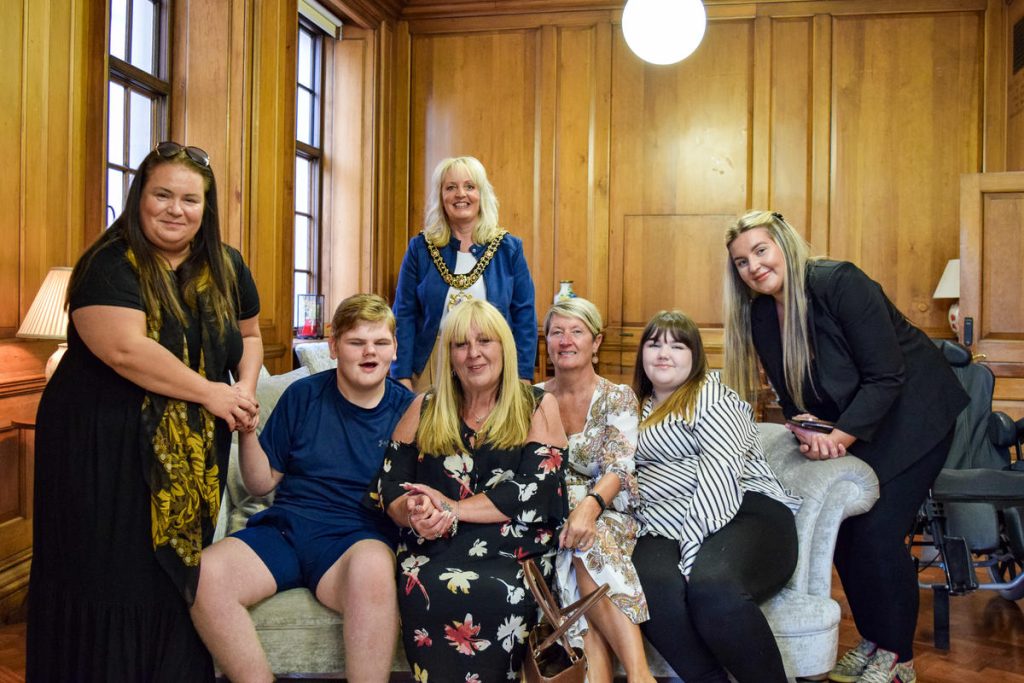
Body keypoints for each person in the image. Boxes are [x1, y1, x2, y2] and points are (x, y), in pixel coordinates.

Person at [26, 141, 263, 681]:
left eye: (190, 199)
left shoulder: (227, 265)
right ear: (139, 198)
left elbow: (249, 336)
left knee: (175, 576)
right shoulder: (109, 263)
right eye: (162, 195)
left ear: (206, 208)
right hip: (104, 451)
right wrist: (211, 393)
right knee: (112, 577)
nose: (176, 209)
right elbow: (125, 350)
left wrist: (244, 390)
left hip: (191, 456)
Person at [723, 210, 969, 683]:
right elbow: (790, 394)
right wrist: (807, 429)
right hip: (858, 422)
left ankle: (898, 660)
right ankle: (873, 640)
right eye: (741, 261)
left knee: (877, 532)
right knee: (843, 529)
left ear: (783, 245)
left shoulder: (839, 283)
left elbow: (887, 375)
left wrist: (839, 438)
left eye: (760, 250)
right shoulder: (761, 314)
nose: (753, 266)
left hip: (915, 416)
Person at [189, 293, 415, 682]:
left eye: (380, 342)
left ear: (394, 349)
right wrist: (248, 432)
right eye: (356, 342)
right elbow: (260, 484)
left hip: (358, 538)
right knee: (203, 573)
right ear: (334, 346)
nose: (369, 352)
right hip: (287, 529)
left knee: (374, 567)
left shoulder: (408, 409)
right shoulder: (303, 395)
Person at [369, 299, 567, 681]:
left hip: (514, 551)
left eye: (485, 341)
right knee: (425, 588)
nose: (473, 353)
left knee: (497, 593)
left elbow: (535, 489)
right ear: (450, 356)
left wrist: (453, 508)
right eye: (461, 344)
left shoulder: (537, 406)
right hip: (433, 548)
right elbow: (390, 484)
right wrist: (415, 511)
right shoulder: (425, 407)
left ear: (504, 348)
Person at [630, 310, 801, 683]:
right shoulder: (633, 408)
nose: (664, 353)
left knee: (710, 587)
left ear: (695, 357)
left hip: (745, 512)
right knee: (650, 586)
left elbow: (720, 475)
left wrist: (691, 553)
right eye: (654, 344)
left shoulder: (710, 396)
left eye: (677, 346)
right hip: (661, 523)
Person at [537, 297, 654, 683]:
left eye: (577, 331)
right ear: (547, 342)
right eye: (557, 332)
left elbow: (620, 467)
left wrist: (587, 508)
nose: (566, 340)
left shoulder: (617, 397)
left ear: (596, 341)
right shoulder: (531, 398)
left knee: (585, 541)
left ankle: (639, 675)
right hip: (551, 515)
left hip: (607, 511)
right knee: (571, 546)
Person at [392, 155, 537, 391]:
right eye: (451, 187)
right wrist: (401, 375)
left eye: (469, 186)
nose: (461, 194)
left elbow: (524, 316)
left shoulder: (508, 249)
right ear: (441, 197)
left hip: (492, 363)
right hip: (432, 363)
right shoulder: (420, 249)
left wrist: (522, 374)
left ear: (482, 194)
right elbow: (404, 314)